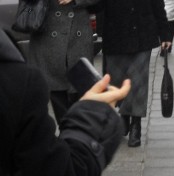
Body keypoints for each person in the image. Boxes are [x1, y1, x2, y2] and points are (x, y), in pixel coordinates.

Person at [0, 28, 131, 175]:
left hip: (74, 45)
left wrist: (78, 2)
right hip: (49, 52)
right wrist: (91, 117)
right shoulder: (18, 82)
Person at [93, 0, 172, 148]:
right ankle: (124, 119)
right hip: (115, 38)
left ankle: (136, 125)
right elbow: (97, 9)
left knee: (137, 83)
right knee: (117, 82)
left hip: (142, 37)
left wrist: (165, 34)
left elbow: (158, 3)